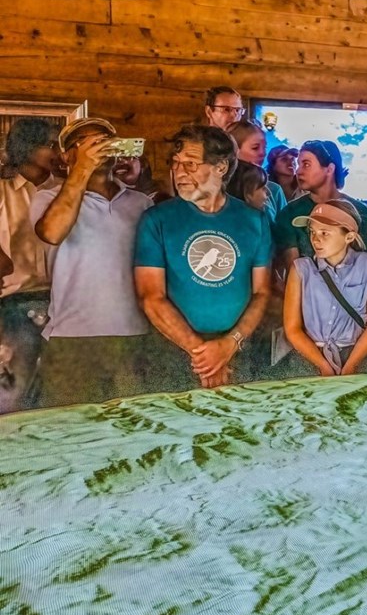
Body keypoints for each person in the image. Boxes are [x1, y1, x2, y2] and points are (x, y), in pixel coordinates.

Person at [134, 124, 273, 390]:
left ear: (221, 167)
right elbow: (151, 297)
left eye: (190, 164)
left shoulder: (254, 220)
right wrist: (203, 354)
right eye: (175, 163)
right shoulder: (157, 220)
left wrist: (229, 344)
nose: (179, 172)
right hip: (174, 351)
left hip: (238, 350)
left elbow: (262, 293)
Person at [31, 118, 156, 407]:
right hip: (72, 336)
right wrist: (82, 169)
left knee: (133, 424)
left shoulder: (140, 203)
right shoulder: (46, 198)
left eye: (104, 142)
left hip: (132, 333)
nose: (97, 149)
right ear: (66, 156)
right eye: (86, 144)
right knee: (70, 427)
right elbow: (51, 232)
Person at [283, 200, 367, 377]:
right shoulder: (301, 269)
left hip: (357, 355)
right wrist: (323, 366)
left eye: (325, 233)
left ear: (349, 237)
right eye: (312, 232)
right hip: (309, 358)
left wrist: (351, 366)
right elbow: (292, 328)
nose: (315, 239)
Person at [0, 116, 61, 412]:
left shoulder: (65, 192)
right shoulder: (3, 191)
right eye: (50, 145)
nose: (58, 152)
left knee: (56, 394)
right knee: (14, 392)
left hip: (63, 304)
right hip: (13, 304)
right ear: (28, 147)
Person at [273, 140, 367, 264]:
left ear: (329, 169)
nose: (298, 171)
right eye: (299, 165)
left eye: (306, 165)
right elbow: (293, 267)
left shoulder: (361, 212)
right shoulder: (290, 213)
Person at [227, 119, 288, 218]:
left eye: (264, 148)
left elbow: (285, 228)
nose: (262, 153)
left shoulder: (274, 191)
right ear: (234, 150)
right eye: (255, 148)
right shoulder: (220, 189)